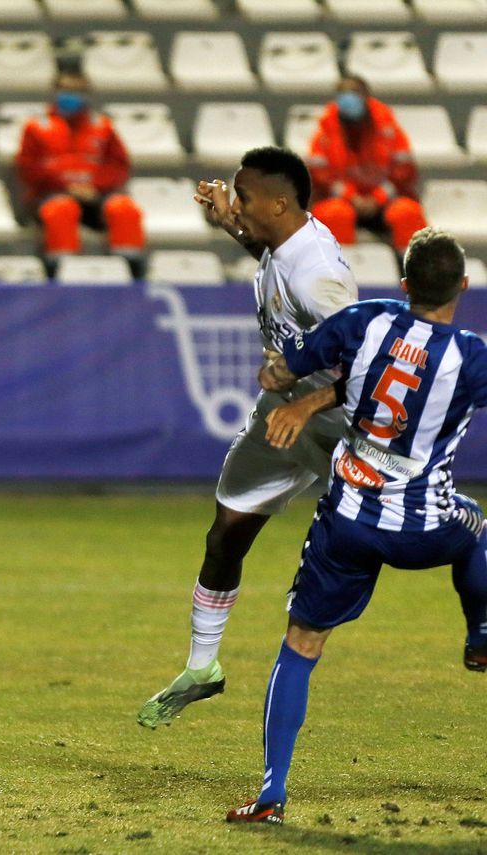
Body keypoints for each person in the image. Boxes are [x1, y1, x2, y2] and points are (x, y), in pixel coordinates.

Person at [227, 228, 487, 824]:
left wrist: (289, 385)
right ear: (464, 286)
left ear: (404, 284)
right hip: (424, 525)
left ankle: (270, 794)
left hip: (347, 520)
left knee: (300, 646)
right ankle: (480, 637)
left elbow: (278, 374)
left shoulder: (364, 321)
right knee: (477, 528)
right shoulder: (471, 357)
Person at [137, 146, 358, 729]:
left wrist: (308, 403)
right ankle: (202, 667)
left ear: (280, 203)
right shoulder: (287, 243)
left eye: (245, 196)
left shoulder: (321, 277)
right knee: (227, 529)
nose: (237, 204)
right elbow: (269, 255)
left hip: (336, 417)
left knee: (409, 534)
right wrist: (230, 224)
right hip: (284, 407)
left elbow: (367, 365)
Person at [15, 69, 144, 275]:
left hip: (95, 196)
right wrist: (66, 187)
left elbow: (118, 165)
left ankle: (130, 272)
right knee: (61, 210)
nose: (71, 96)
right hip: (51, 195)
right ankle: (61, 272)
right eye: (66, 90)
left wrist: (96, 187)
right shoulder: (36, 127)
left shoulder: (102, 126)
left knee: (124, 209)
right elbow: (27, 168)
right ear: (54, 92)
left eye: (77, 91)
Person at [308, 74, 427, 255]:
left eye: (354, 93)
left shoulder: (387, 126)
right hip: (342, 202)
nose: (349, 99)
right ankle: (338, 269)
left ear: (366, 96)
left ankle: (413, 268)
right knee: (333, 213)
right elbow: (320, 176)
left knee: (407, 212)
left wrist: (378, 198)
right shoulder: (326, 129)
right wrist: (351, 197)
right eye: (344, 94)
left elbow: (403, 172)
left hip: (386, 203)